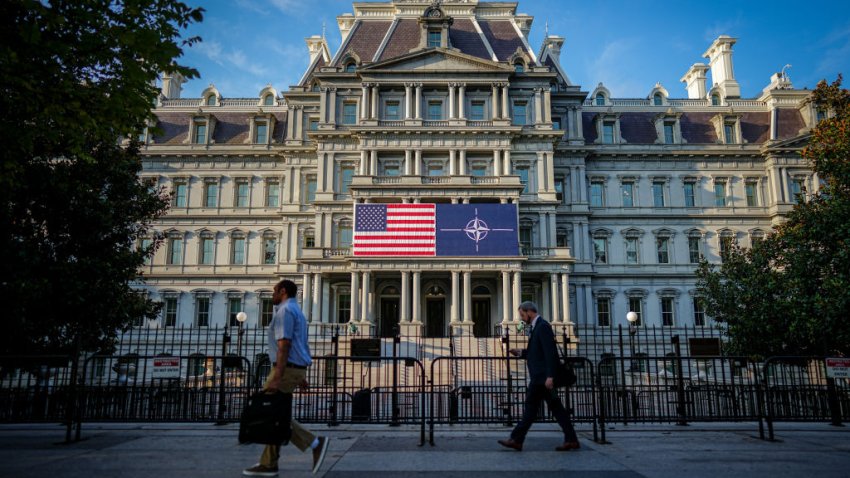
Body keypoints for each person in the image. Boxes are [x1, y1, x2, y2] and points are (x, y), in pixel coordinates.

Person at [244, 279, 330, 476]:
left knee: (271, 413)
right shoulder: (297, 311)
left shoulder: (284, 312)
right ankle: (269, 463)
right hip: (294, 368)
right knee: (275, 414)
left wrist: (278, 376)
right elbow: (302, 343)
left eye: (274, 291)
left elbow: (285, 344)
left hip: (285, 368)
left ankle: (315, 443)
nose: (272, 294)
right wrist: (299, 376)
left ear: (282, 291)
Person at [498, 301, 579, 452]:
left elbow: (550, 353)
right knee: (556, 409)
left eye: (522, 315)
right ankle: (572, 439)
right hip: (542, 378)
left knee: (531, 408)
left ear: (529, 312)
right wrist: (521, 352)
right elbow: (538, 352)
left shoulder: (542, 326)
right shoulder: (537, 327)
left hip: (542, 379)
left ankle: (516, 439)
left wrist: (550, 376)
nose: (522, 318)